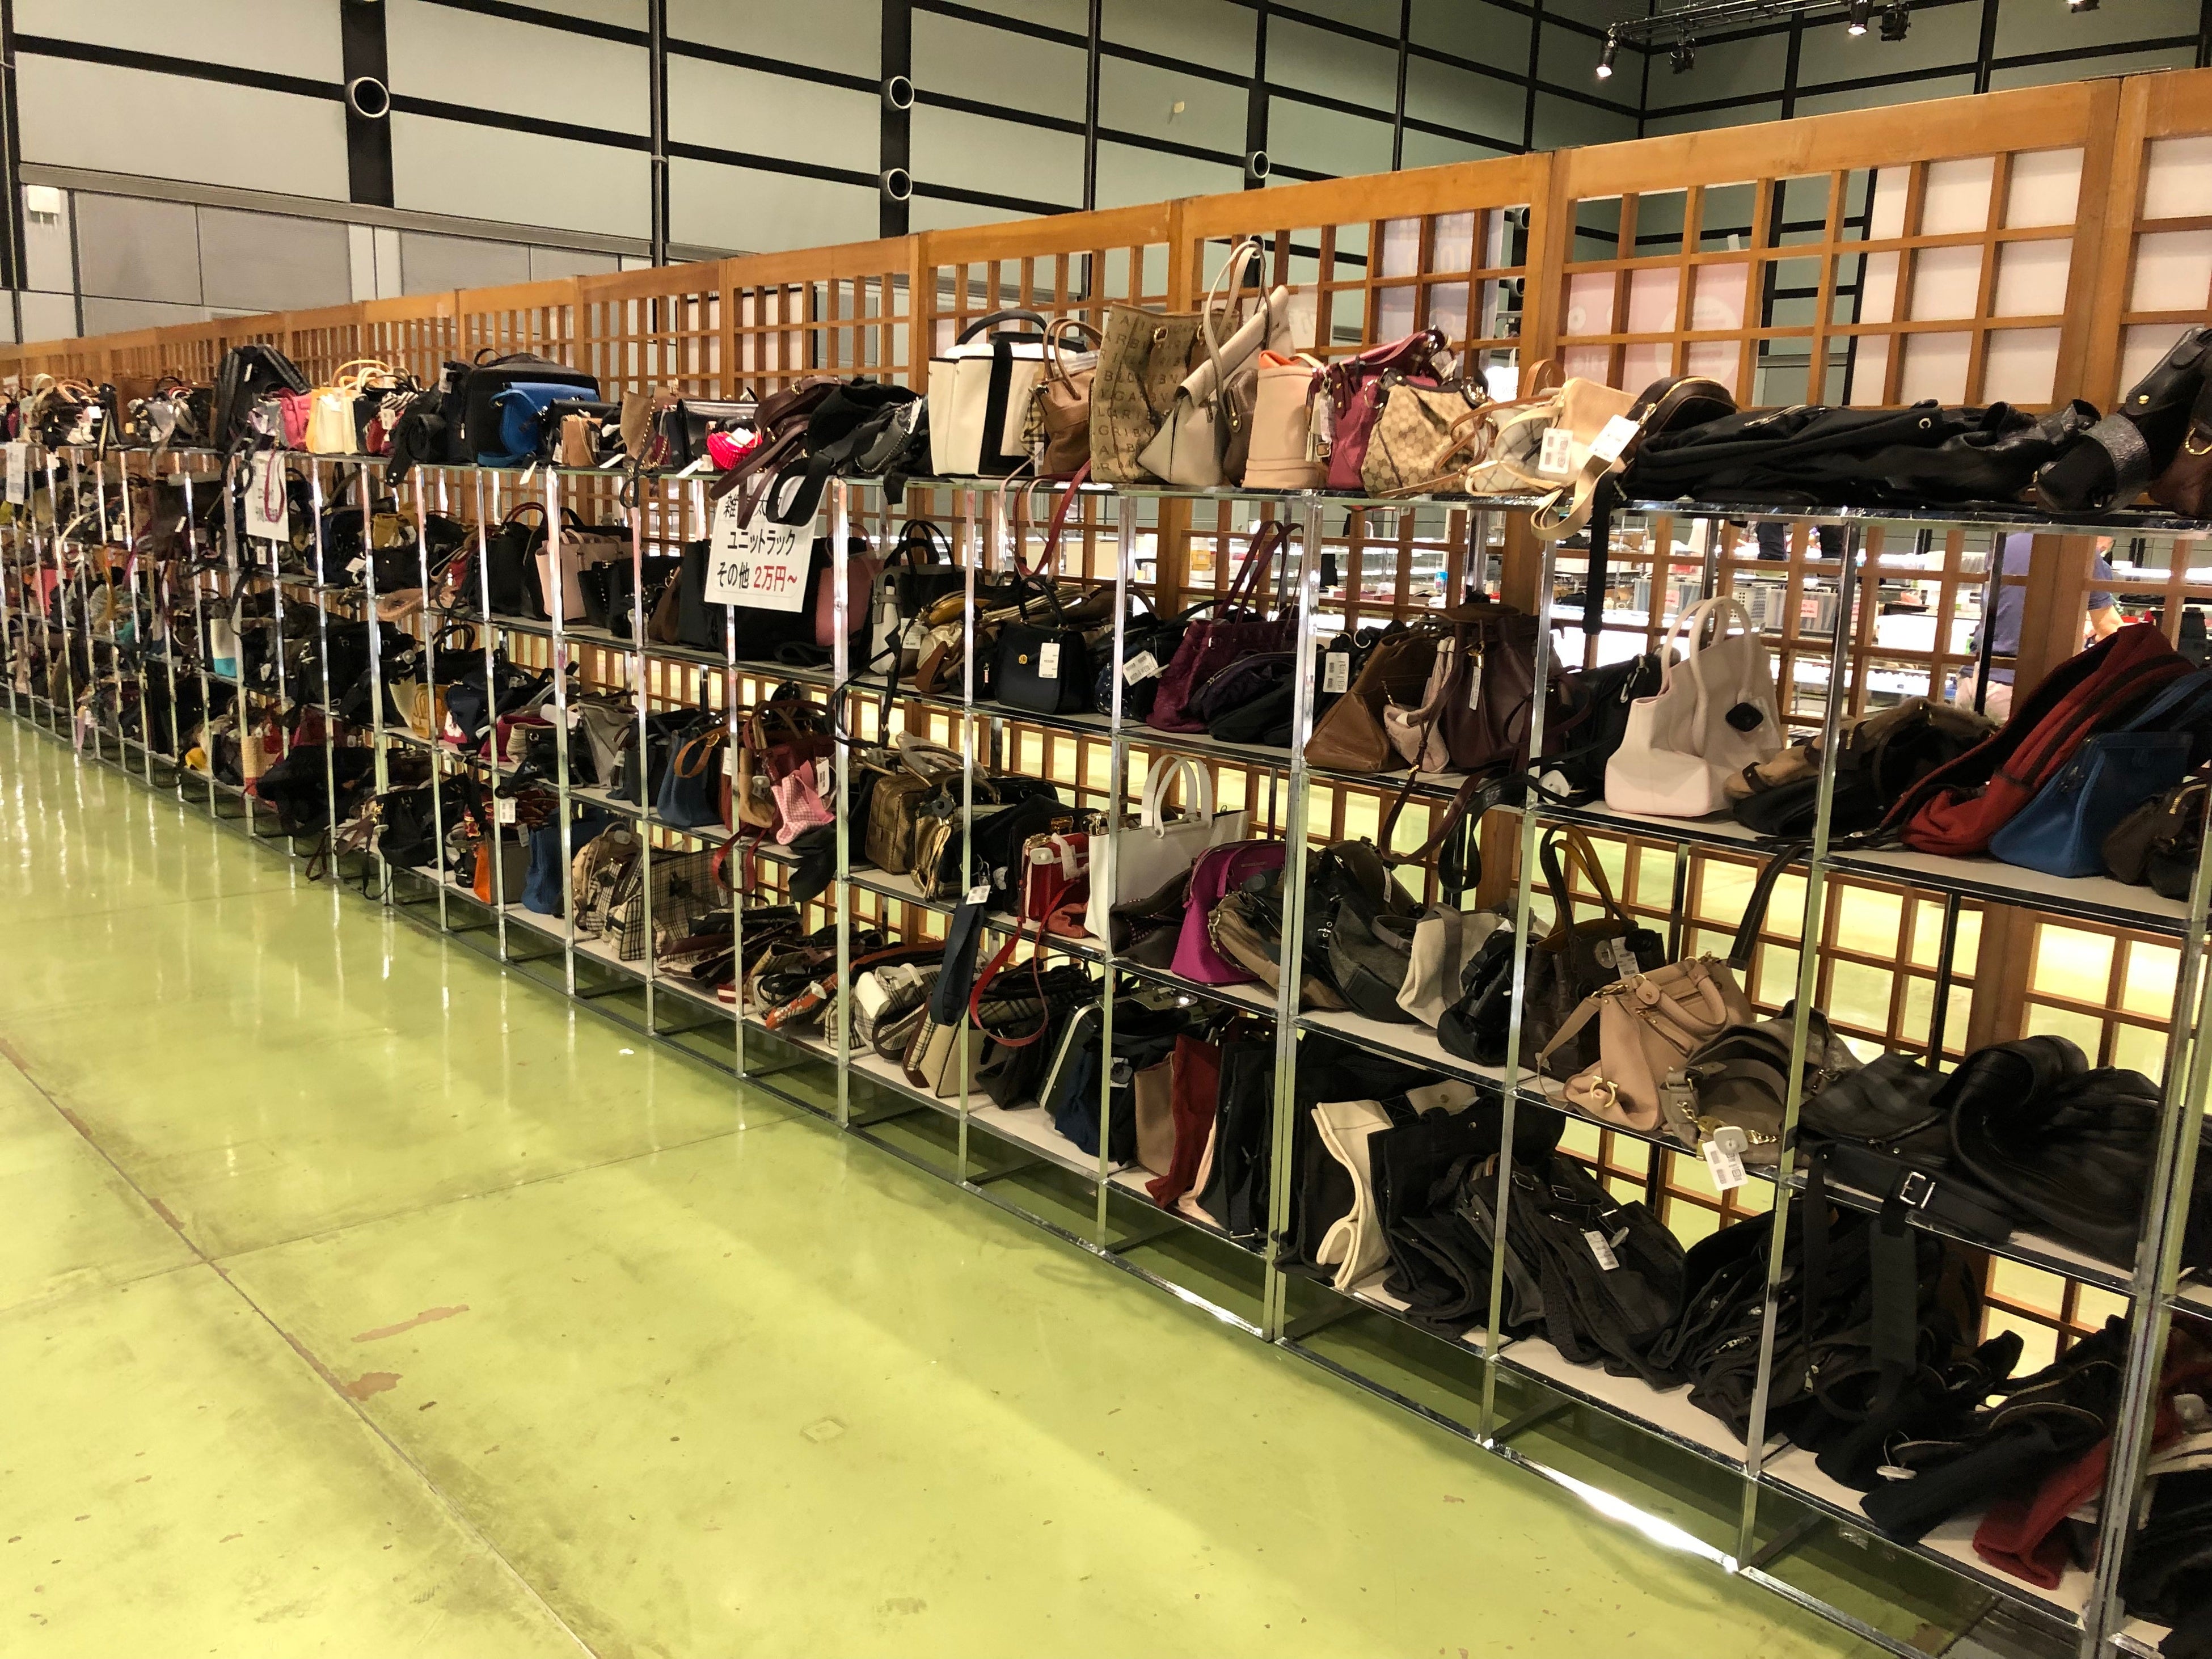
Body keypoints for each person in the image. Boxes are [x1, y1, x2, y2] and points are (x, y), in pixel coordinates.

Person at [1956, 533, 2121, 721]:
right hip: (2020, 687)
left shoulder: (2007, 542)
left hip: (1974, 676)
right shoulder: (2082, 550)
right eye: (2103, 549)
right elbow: (2109, 628)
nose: (2101, 553)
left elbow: (2010, 607)